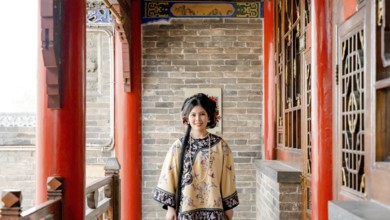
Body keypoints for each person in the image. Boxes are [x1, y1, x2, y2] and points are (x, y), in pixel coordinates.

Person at [154, 93, 239, 220]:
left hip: (215, 211)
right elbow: (169, 177)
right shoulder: (178, 146)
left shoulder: (220, 146)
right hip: (186, 210)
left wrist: (229, 207)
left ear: (209, 117)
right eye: (193, 114)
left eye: (202, 114)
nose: (197, 119)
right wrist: (171, 209)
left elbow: (228, 178)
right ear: (187, 118)